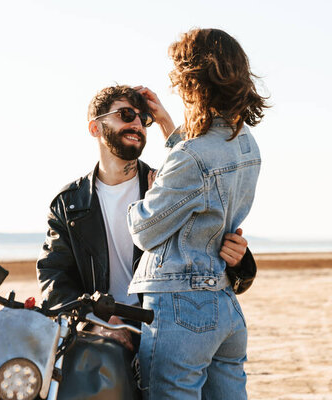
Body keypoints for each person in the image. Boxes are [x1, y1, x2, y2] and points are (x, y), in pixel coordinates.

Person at [37, 84, 257, 351]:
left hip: (164, 326)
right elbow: (53, 276)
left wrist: (239, 262)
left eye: (145, 119)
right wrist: (93, 321)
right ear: (95, 127)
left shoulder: (168, 188)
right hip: (97, 335)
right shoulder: (69, 203)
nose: (138, 125)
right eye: (126, 115)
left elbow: (203, 249)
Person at [127, 29, 269, 399]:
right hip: (224, 305)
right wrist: (167, 125)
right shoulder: (246, 143)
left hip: (181, 307)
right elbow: (205, 183)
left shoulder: (191, 157)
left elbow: (145, 231)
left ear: (194, 82)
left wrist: (141, 198)